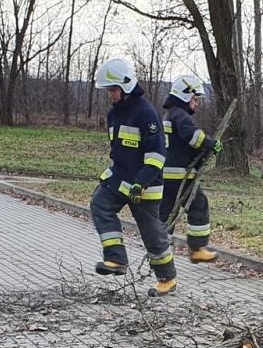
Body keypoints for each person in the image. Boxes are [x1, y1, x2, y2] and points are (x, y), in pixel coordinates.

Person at [88, 57, 177, 297]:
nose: (110, 95)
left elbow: (157, 155)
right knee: (99, 204)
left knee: (152, 233)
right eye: (109, 90)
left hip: (145, 184)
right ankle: (116, 260)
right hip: (120, 179)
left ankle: (167, 278)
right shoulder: (114, 115)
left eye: (113, 90)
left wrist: (142, 182)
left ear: (126, 86)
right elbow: (118, 150)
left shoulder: (146, 114)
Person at [159, 74, 222, 262]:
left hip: (165, 175)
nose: (197, 104)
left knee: (166, 212)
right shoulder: (180, 115)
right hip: (181, 176)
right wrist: (212, 144)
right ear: (186, 95)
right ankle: (197, 249)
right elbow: (194, 138)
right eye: (195, 99)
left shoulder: (169, 115)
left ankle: (159, 248)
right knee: (198, 205)